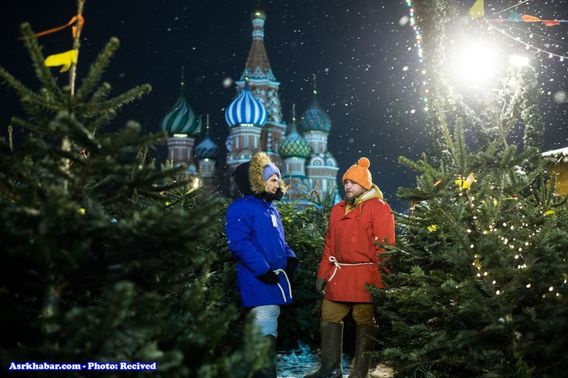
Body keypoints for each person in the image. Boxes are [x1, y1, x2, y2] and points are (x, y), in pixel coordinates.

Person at [305, 157, 395, 378]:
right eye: (345, 182)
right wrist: (322, 274)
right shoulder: (338, 210)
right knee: (329, 315)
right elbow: (330, 245)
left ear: (364, 185)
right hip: (339, 274)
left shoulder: (378, 208)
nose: (347, 186)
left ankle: (359, 373)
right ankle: (330, 368)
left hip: (366, 275)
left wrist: (383, 280)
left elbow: (385, 247)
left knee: (364, 320)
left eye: (352, 183)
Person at [226, 152, 299, 378]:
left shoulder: (270, 209)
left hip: (274, 280)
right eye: (273, 179)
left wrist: (290, 257)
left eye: (278, 179)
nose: (278, 183)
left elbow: (278, 241)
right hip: (258, 280)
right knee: (265, 328)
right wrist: (263, 269)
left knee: (270, 326)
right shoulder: (241, 208)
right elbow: (240, 243)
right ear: (258, 181)